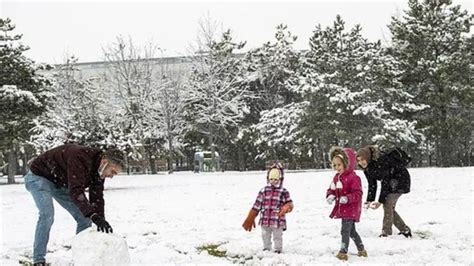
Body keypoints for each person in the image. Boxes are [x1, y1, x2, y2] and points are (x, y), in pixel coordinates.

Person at [24, 144, 125, 266]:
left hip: (60, 182)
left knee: (84, 218)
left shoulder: (99, 171)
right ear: (104, 162)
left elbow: (97, 197)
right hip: (39, 177)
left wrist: (100, 219)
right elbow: (76, 190)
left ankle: (81, 258)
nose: (112, 176)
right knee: (47, 215)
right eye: (113, 171)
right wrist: (93, 215)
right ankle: (38, 260)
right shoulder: (80, 157)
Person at [357, 145, 412, 238]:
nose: (361, 162)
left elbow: (384, 183)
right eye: (358, 160)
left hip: (400, 181)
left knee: (387, 205)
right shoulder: (367, 168)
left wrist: (380, 201)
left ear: (368, 157)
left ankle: (386, 233)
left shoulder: (380, 162)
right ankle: (404, 230)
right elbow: (372, 184)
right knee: (389, 207)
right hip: (391, 182)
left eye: (363, 159)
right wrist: (369, 200)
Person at [242, 162, 294, 253]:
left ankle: (278, 249)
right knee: (265, 234)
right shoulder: (264, 190)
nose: (273, 181)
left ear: (280, 179)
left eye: (276, 179)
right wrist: (251, 215)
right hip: (265, 219)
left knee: (277, 236)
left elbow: (289, 202)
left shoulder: (283, 191)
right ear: (268, 179)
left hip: (277, 219)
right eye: (271, 179)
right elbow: (257, 204)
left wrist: (287, 207)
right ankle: (266, 248)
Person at [326, 147, 367, 261]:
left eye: (339, 165)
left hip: (351, 208)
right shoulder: (337, 177)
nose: (336, 167)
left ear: (347, 164)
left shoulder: (354, 178)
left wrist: (348, 198)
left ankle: (343, 251)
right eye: (334, 165)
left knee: (345, 230)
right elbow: (332, 189)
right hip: (342, 208)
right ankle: (361, 249)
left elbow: (358, 193)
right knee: (351, 231)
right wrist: (330, 195)